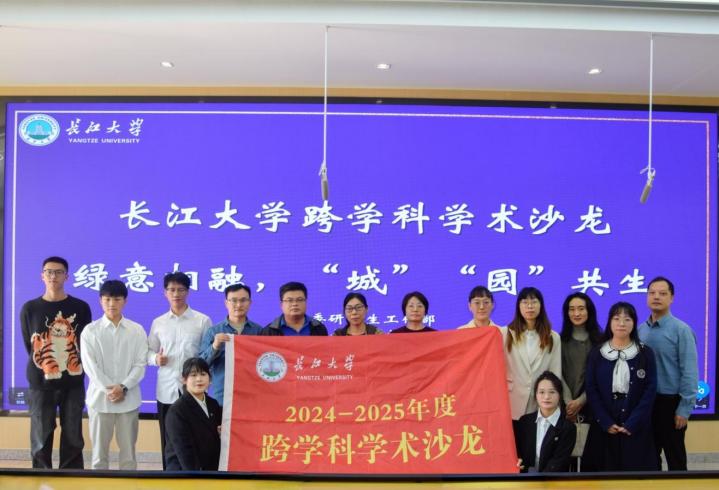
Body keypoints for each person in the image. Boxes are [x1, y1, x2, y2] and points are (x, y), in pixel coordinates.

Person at [20, 256, 92, 469]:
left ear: (66, 277)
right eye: (49, 272)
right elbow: (30, 345)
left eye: (59, 272)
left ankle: (71, 479)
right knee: (40, 437)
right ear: (42, 276)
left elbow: (84, 344)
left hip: (73, 383)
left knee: (73, 437)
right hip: (40, 383)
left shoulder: (80, 307)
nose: (53, 276)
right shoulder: (30, 308)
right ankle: (40, 477)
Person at [147, 271, 212, 469]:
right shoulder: (158, 322)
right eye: (172, 289)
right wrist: (155, 359)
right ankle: (169, 476)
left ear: (188, 292)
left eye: (181, 289)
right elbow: (148, 352)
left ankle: (197, 477)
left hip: (195, 390)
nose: (176, 294)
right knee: (168, 440)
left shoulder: (202, 321)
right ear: (165, 292)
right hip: (166, 390)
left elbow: (207, 354)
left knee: (197, 437)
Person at [80, 280, 148, 470]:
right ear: (100, 300)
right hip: (100, 400)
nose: (112, 304)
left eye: (117, 299)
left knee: (128, 456)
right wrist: (110, 389)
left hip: (129, 399)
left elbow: (140, 364)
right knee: (98, 457)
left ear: (125, 301)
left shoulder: (136, 330)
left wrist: (123, 387)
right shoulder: (90, 331)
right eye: (107, 299)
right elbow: (90, 366)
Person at [585, 301, 657, 471]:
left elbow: (650, 390)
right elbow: (591, 388)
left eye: (627, 319)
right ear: (610, 322)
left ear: (634, 323)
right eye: (616, 319)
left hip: (636, 421)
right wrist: (605, 421)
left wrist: (633, 422)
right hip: (604, 421)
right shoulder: (597, 353)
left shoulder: (645, 353)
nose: (621, 324)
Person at [638, 276, 698, 471]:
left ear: (671, 298)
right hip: (646, 402)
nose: (656, 297)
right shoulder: (639, 330)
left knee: (675, 459)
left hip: (670, 404)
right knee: (648, 458)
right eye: (652, 293)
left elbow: (690, 372)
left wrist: (684, 408)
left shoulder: (682, 330)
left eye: (662, 293)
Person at [500, 287, 562, 421]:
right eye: (525, 302)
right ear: (518, 306)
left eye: (534, 302)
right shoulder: (505, 333)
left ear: (541, 306)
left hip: (538, 403)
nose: (530, 306)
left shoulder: (553, 337)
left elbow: (555, 373)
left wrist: (553, 403)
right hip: (510, 401)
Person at [560, 292, 603, 471]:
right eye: (571, 309)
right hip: (565, 406)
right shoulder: (559, 340)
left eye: (581, 309)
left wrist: (581, 401)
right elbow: (557, 372)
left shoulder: (601, 341)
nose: (576, 313)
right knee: (564, 458)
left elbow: (601, 376)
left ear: (589, 311)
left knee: (590, 460)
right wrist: (569, 402)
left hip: (592, 405)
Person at [199, 283, 261, 406]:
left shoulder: (259, 331)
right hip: (222, 396)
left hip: (252, 394)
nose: (238, 305)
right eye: (234, 300)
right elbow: (201, 365)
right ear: (226, 303)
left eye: (243, 300)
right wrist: (215, 346)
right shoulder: (214, 331)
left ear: (250, 303)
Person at [165, 358, 222, 471]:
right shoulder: (177, 411)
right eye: (193, 375)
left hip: (210, 470)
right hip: (185, 473)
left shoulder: (213, 404)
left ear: (210, 379)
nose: (199, 379)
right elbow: (184, 451)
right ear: (184, 379)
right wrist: (197, 477)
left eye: (203, 374)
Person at [514, 371, 576, 473]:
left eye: (552, 392)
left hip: (552, 481)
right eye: (541, 392)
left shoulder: (568, 428)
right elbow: (518, 454)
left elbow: (558, 462)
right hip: (525, 479)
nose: (546, 397)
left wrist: (540, 481)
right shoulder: (525, 422)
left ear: (559, 395)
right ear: (536, 395)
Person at [260, 281, 328, 336]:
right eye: (289, 300)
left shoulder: (319, 328)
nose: (295, 304)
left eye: (299, 300)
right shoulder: (268, 332)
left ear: (306, 302)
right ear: (281, 305)